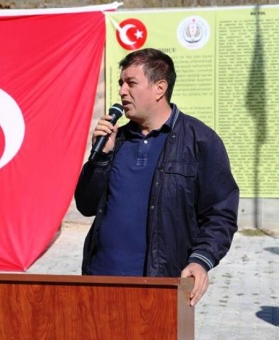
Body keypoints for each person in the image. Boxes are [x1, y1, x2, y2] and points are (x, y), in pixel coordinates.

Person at [75, 48, 239, 306]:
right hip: (100, 281)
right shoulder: (116, 140)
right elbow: (85, 205)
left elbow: (221, 213)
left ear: (160, 88)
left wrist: (201, 260)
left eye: (131, 83)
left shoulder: (200, 141)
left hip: (161, 287)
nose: (122, 91)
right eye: (120, 83)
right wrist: (100, 158)